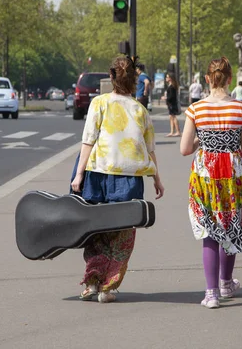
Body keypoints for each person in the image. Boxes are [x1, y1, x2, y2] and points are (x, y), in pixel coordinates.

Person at [71, 56, 165, 303]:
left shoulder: (99, 103)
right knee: (123, 235)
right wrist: (157, 178)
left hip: (97, 176)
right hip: (129, 179)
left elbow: (88, 140)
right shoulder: (140, 110)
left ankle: (92, 282)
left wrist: (79, 174)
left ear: (111, 77)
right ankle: (108, 287)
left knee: (96, 231)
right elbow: (150, 148)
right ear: (135, 80)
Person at [180, 56, 242, 309]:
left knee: (209, 231)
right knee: (230, 226)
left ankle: (211, 294)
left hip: (205, 173)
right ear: (230, 79)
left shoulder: (195, 110)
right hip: (234, 175)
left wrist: (205, 139)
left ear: (207, 79)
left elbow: (185, 149)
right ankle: (226, 283)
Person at [165, 73, 182, 137]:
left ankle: (178, 131)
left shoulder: (172, 86)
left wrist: (166, 98)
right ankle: (172, 131)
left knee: (173, 117)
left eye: (167, 77)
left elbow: (171, 96)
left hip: (172, 104)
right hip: (171, 104)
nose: (166, 78)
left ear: (170, 78)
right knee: (171, 117)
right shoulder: (171, 85)